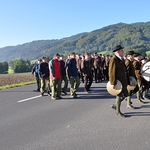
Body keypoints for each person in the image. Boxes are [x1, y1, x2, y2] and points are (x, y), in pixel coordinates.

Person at [109, 45, 129, 118]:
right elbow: (111, 72)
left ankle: (115, 105)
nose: (123, 51)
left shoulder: (120, 59)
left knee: (125, 94)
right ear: (117, 52)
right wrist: (112, 83)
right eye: (121, 50)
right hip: (118, 82)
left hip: (123, 81)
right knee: (120, 95)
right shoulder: (114, 59)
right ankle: (118, 112)